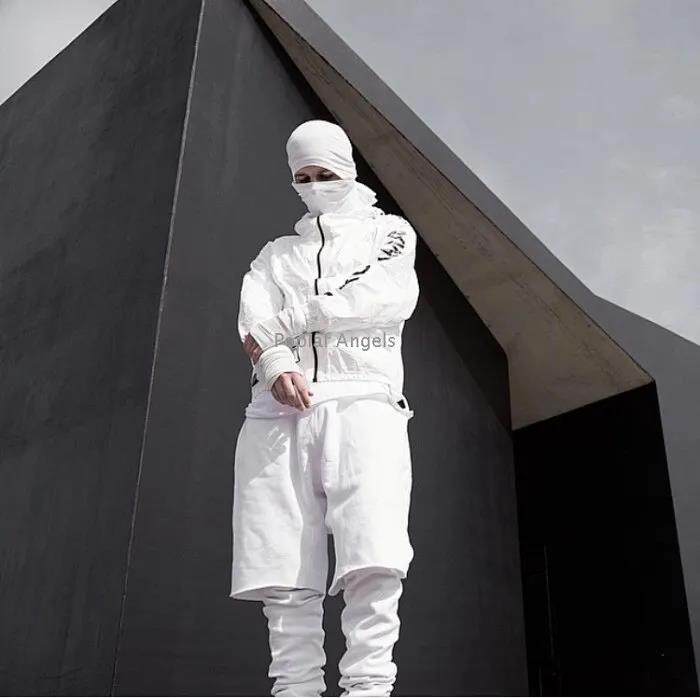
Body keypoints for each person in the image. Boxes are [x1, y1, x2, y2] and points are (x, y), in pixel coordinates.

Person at [230, 119, 420, 697]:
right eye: (303, 177)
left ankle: (368, 689)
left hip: (363, 401)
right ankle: (295, 689)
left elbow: (382, 296)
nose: (315, 185)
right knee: (281, 562)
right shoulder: (276, 255)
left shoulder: (389, 232)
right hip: (277, 414)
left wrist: (290, 321)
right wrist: (274, 364)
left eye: (325, 173)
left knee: (372, 553)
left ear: (348, 168)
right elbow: (252, 321)